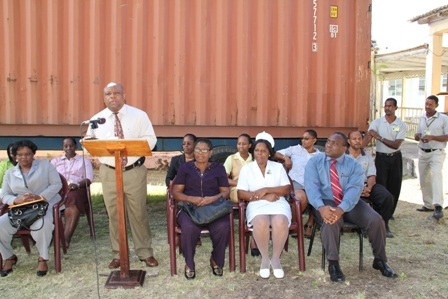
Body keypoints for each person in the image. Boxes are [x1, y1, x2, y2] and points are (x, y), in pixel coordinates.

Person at [305, 132, 397, 282]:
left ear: (343, 148)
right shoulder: (314, 162)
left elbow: (355, 190)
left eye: (333, 143)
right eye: (328, 141)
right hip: (325, 202)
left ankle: (380, 260)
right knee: (331, 221)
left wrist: (342, 209)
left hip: (349, 202)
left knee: (376, 220)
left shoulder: (354, 165)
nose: (328, 145)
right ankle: (333, 264)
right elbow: (311, 188)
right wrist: (321, 208)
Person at [86, 82, 158, 269]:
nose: (113, 97)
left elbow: (151, 139)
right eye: (108, 93)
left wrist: (132, 148)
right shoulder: (96, 120)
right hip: (109, 173)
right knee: (114, 214)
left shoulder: (139, 116)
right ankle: (119, 254)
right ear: (104, 98)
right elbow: (90, 143)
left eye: (116, 93)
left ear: (124, 95)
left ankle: (145, 252)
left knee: (138, 213)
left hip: (133, 171)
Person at [0, 140, 62, 277]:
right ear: (14, 156)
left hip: (45, 204)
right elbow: (4, 195)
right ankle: (9, 257)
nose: (24, 157)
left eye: (27, 154)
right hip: (21, 209)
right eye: (20, 154)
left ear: (33, 154)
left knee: (42, 225)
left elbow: (57, 184)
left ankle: (42, 258)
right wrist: (17, 200)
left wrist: (39, 197)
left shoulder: (45, 166)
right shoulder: (10, 173)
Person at [172, 138, 231, 280]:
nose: (200, 153)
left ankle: (216, 260)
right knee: (189, 228)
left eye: (204, 150)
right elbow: (176, 192)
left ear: (210, 152)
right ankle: (189, 263)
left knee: (223, 227)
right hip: (189, 208)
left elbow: (225, 192)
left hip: (212, 207)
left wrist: (212, 199)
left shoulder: (218, 168)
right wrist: (192, 199)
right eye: (197, 150)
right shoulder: (185, 168)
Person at [237, 132, 291, 279]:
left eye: (263, 151)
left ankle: (276, 259)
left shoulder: (277, 167)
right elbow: (241, 193)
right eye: (256, 150)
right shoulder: (247, 169)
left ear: (269, 153)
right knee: (261, 222)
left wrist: (267, 189)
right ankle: (265, 260)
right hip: (256, 204)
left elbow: (286, 189)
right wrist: (265, 196)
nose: (259, 154)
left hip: (277, 202)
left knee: (280, 221)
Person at [362, 98, 407, 218]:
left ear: (396, 108)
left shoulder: (401, 125)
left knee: (394, 185)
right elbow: (368, 138)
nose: (387, 108)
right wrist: (357, 145)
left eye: (390, 106)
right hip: (381, 158)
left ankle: (389, 212)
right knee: (381, 185)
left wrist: (379, 137)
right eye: (386, 106)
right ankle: (379, 212)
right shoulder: (377, 123)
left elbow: (396, 144)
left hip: (395, 158)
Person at [347, 131, 394, 238]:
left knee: (387, 197)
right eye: (354, 139)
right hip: (350, 187)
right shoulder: (343, 157)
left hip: (366, 185)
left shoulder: (366, 156)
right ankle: (365, 226)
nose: (357, 141)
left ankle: (384, 224)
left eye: (359, 139)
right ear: (349, 141)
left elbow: (372, 175)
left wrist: (369, 187)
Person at [274, 129, 319, 238]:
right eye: (302, 138)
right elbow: (275, 153)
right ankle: (295, 224)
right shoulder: (295, 149)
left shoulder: (320, 156)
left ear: (314, 140)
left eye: (306, 139)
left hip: (313, 184)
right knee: (300, 197)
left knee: (319, 196)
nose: (303, 141)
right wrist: (286, 158)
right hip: (296, 182)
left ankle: (309, 224)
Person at [51, 138, 94, 246]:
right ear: (63, 148)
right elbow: (48, 178)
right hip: (58, 190)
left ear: (76, 147)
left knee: (72, 198)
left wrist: (77, 184)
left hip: (77, 188)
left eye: (71, 146)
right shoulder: (55, 162)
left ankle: (66, 237)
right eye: (66, 146)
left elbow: (89, 179)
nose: (68, 148)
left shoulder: (84, 161)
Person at [223, 134, 259, 256]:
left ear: (249, 145)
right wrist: (239, 183)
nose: (241, 146)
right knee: (253, 202)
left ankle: (254, 240)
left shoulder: (255, 159)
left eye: (244, 144)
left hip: (253, 190)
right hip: (236, 190)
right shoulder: (231, 158)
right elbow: (224, 179)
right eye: (239, 143)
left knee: (256, 204)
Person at [414, 95, 448, 219]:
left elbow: (447, 136)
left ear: (436, 106)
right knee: (424, 178)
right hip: (422, 152)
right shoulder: (422, 117)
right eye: (426, 104)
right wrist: (417, 136)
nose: (427, 107)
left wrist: (433, 137)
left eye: (431, 105)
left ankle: (438, 206)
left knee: (436, 175)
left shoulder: (443, 118)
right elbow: (420, 132)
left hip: (436, 152)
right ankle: (428, 204)